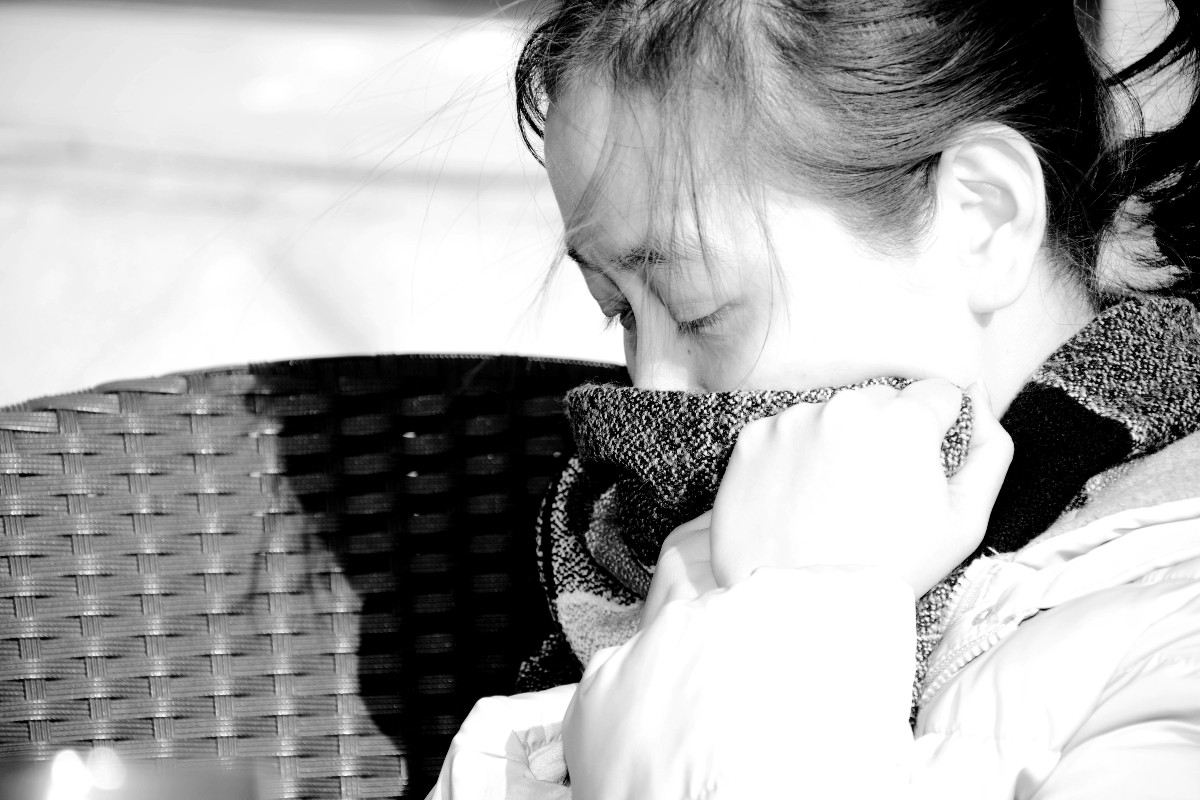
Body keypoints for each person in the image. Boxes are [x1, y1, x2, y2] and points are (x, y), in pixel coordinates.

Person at [428, 0, 1200, 797]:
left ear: (982, 219)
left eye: (696, 310)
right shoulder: (615, 588)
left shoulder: (1171, 641)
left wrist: (790, 618)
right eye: (621, 311)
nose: (652, 385)